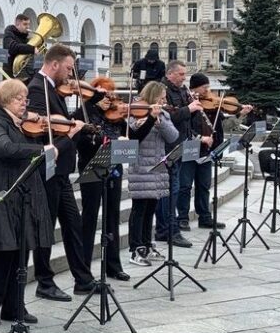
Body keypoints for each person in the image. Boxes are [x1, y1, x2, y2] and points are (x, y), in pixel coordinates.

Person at [0, 78, 55, 325]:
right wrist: (40, 150)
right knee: (3, 252)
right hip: (1, 193)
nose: (24, 104)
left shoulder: (17, 124)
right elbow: (5, 149)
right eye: (20, 99)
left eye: (25, 99)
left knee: (21, 251)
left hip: (22, 195)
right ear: (6, 99)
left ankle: (14, 307)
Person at [26, 44, 94, 300]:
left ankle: (83, 279)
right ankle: (44, 281)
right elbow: (42, 133)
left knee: (72, 225)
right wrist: (73, 132)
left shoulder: (52, 89)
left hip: (62, 171)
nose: (70, 74)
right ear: (54, 65)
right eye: (68, 68)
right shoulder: (36, 89)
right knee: (46, 226)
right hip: (49, 169)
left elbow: (60, 126)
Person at [72, 77, 131, 282]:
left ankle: (113, 265)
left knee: (112, 215)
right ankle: (84, 268)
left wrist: (147, 119)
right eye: (102, 93)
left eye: (109, 93)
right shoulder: (84, 113)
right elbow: (83, 143)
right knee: (89, 217)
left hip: (114, 169)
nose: (107, 98)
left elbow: (133, 135)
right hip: (92, 167)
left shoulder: (114, 115)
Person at [179, 73, 253, 231]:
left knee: (204, 185)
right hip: (191, 148)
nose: (208, 90)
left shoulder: (214, 106)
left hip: (208, 150)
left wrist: (240, 114)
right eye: (204, 87)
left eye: (208, 87)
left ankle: (204, 217)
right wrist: (199, 137)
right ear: (195, 88)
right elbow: (184, 127)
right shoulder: (187, 102)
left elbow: (223, 126)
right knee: (185, 186)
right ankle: (182, 218)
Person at [127, 82, 178, 266]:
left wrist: (159, 121)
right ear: (152, 96)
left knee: (150, 210)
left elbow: (173, 137)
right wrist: (149, 119)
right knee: (139, 210)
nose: (164, 100)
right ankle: (135, 249)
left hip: (157, 168)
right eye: (161, 97)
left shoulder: (163, 115)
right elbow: (135, 137)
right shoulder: (136, 111)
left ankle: (147, 245)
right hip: (141, 168)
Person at [155, 61, 198, 248]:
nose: (184, 77)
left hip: (180, 143)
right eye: (181, 74)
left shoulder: (182, 90)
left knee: (175, 188)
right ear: (171, 74)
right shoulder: (163, 89)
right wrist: (189, 109)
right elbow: (168, 116)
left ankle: (168, 229)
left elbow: (185, 117)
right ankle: (168, 230)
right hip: (168, 146)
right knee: (170, 190)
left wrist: (192, 107)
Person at [2, 14, 37, 81]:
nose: (28, 27)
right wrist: (32, 49)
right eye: (25, 24)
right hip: (10, 73)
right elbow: (11, 47)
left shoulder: (25, 37)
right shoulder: (9, 32)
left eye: (28, 24)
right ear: (17, 24)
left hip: (25, 73)